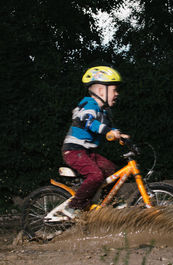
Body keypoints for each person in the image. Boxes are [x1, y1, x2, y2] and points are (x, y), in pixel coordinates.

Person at [61, 66, 129, 218]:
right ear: (100, 91)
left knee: (111, 169)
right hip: (74, 151)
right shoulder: (89, 105)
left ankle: (109, 201)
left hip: (87, 152)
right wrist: (108, 132)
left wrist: (120, 135)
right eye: (114, 90)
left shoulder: (104, 111)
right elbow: (88, 121)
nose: (117, 94)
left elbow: (109, 128)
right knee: (96, 175)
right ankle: (74, 207)